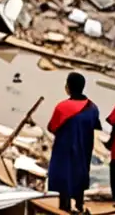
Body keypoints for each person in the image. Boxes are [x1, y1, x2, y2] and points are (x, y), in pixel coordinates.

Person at [48, 72, 101, 214]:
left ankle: (64, 208)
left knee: (64, 175)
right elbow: (95, 125)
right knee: (80, 174)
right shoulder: (93, 107)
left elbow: (52, 127)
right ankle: (79, 204)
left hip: (64, 148)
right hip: (84, 148)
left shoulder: (62, 107)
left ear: (68, 87)